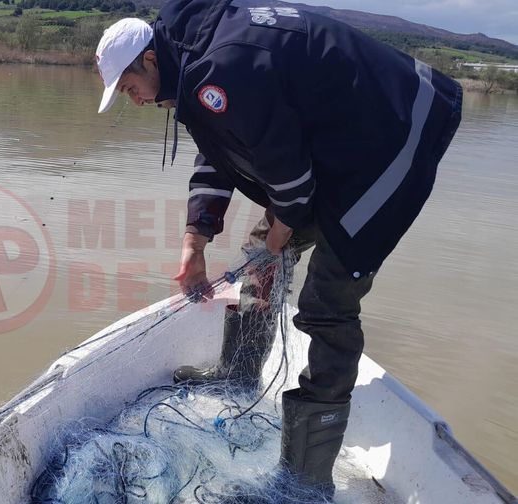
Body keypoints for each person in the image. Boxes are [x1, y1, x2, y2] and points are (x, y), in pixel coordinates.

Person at [94, 1, 463, 500]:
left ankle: (306, 481)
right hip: (338, 146)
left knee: (327, 304)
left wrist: (281, 234)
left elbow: (288, 175)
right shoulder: (196, 66)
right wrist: (194, 241)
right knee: (259, 254)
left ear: (149, 61)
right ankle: (239, 372)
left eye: (129, 87)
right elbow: (219, 147)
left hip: (393, 141)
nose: (133, 100)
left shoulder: (218, 67)